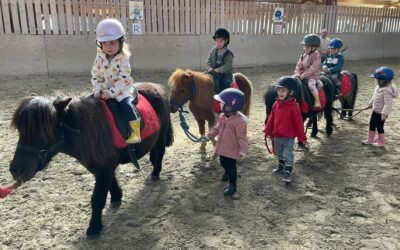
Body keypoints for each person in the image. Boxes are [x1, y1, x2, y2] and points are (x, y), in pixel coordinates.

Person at [91, 18, 141, 144]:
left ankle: (135, 132)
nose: (108, 47)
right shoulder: (99, 57)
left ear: (120, 42)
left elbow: (123, 79)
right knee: (86, 102)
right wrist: (97, 89)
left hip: (121, 90)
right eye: (105, 43)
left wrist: (111, 93)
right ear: (100, 44)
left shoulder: (123, 59)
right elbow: (96, 75)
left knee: (127, 106)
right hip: (104, 88)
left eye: (112, 43)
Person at [264, 77, 307, 183]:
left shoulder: (295, 107)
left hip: (288, 136)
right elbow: (271, 119)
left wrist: (302, 137)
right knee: (279, 152)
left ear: (291, 92)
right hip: (277, 135)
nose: (280, 93)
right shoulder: (275, 105)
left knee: (288, 153)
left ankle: (288, 170)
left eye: (283, 90)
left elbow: (299, 123)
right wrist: (268, 130)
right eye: (279, 90)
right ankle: (281, 165)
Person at [207, 88, 248, 196]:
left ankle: (232, 185)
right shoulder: (222, 116)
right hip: (222, 147)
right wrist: (210, 135)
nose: (219, 104)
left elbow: (242, 137)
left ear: (231, 105)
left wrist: (243, 150)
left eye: (222, 103)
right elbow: (217, 128)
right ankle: (226, 172)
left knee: (231, 168)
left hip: (231, 150)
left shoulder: (239, 122)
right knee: (223, 163)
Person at [362, 66, 398, 147]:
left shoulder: (387, 90)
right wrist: (370, 104)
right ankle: (370, 140)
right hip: (375, 110)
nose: (376, 81)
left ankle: (381, 142)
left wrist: (384, 113)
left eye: (377, 79)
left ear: (383, 80)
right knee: (371, 124)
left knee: (379, 127)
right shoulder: (378, 87)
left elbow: (388, 103)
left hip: (382, 113)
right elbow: (374, 97)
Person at [295, 34, 322, 108]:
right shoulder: (303, 54)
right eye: (305, 46)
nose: (305, 48)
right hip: (301, 75)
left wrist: (304, 75)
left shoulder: (316, 55)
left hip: (312, 76)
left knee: (311, 86)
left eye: (308, 47)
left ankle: (317, 101)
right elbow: (299, 65)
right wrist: (297, 73)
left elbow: (313, 68)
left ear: (314, 47)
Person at [207, 28, 234, 94]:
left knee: (225, 83)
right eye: (217, 41)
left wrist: (219, 69)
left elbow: (228, 65)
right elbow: (209, 60)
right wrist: (209, 67)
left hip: (224, 74)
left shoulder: (228, 53)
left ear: (226, 41)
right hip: (213, 72)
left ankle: (224, 96)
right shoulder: (213, 50)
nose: (218, 43)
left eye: (221, 41)